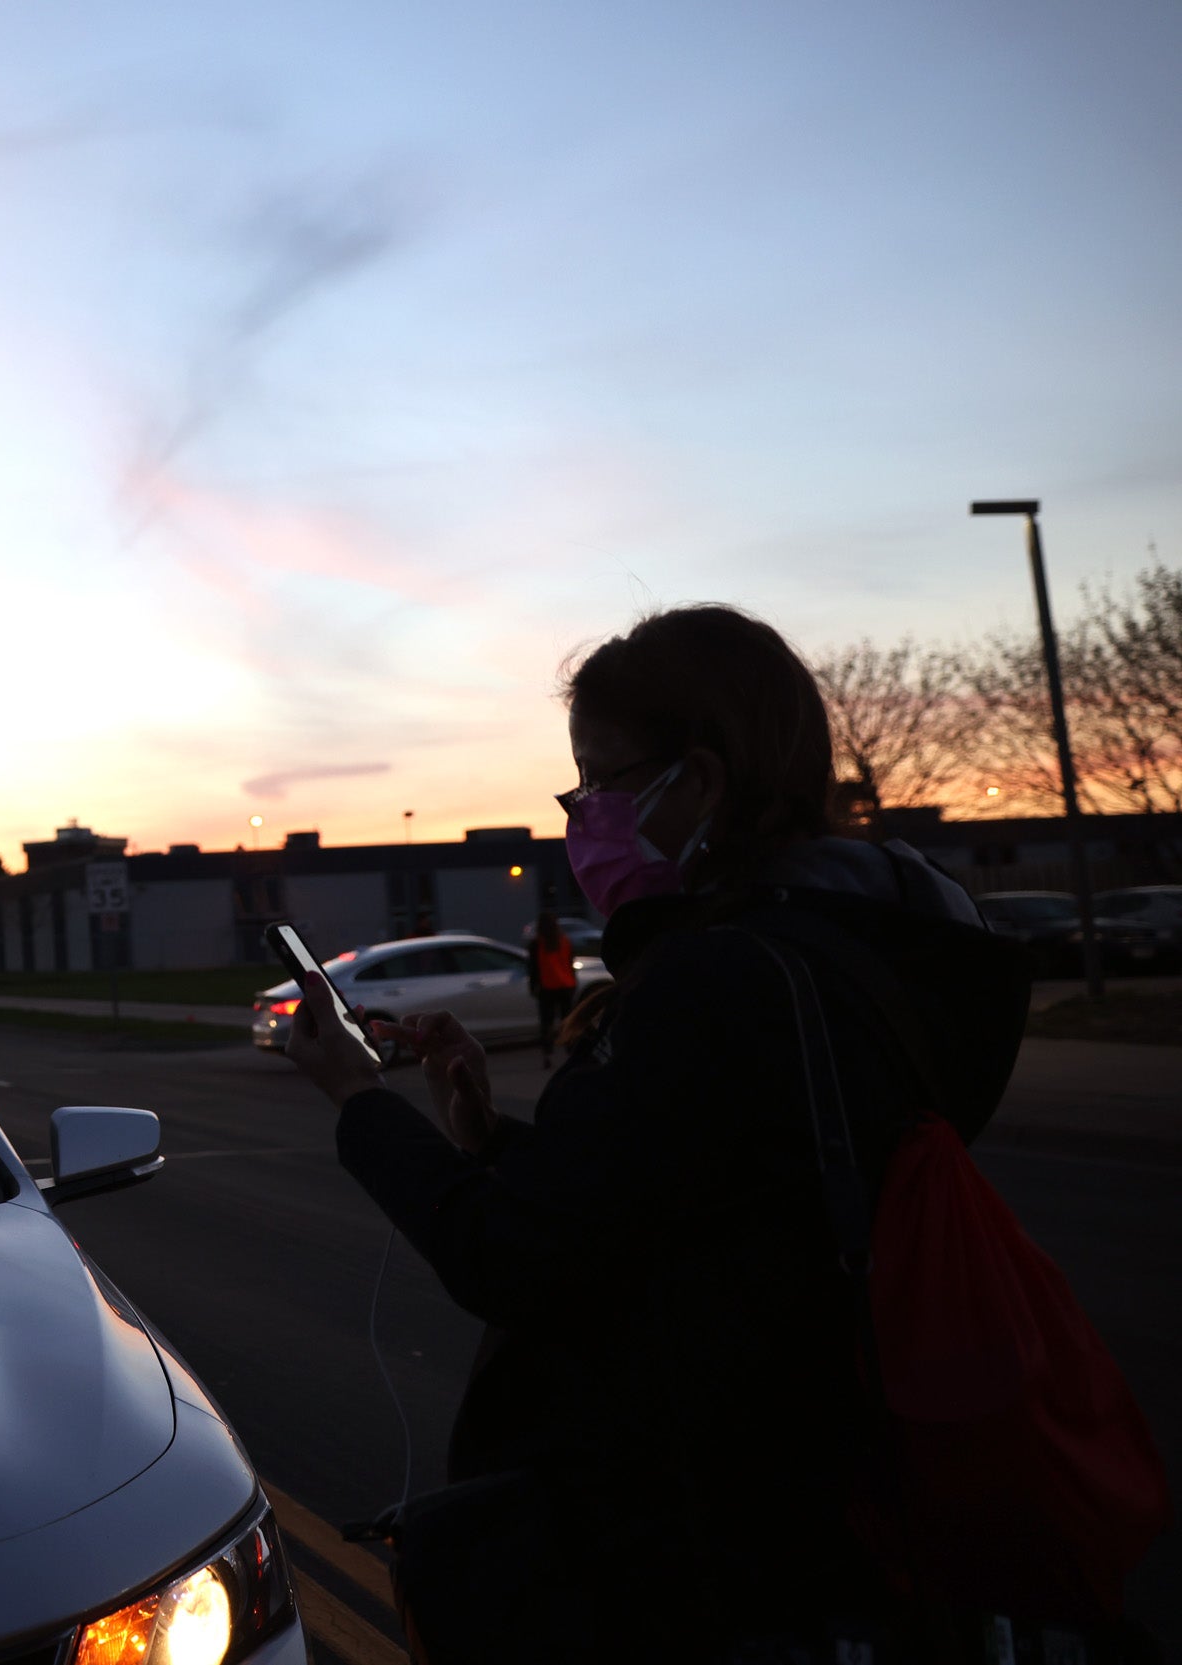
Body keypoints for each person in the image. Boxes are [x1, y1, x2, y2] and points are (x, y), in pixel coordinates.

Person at [280, 605, 1033, 1660]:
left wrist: (357, 1099)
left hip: (708, 1546)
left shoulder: (717, 980)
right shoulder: (873, 954)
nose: (580, 815)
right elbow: (684, 1202)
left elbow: (518, 1260)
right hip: (843, 1499)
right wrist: (495, 1145)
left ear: (701, 783)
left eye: (597, 782)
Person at [525, 915, 578, 1068]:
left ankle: (547, 1055)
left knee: (546, 1023)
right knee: (567, 1020)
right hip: (566, 986)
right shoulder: (565, 941)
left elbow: (533, 968)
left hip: (547, 988)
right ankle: (570, 1051)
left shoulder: (536, 944)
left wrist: (533, 986)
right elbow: (570, 964)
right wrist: (573, 983)